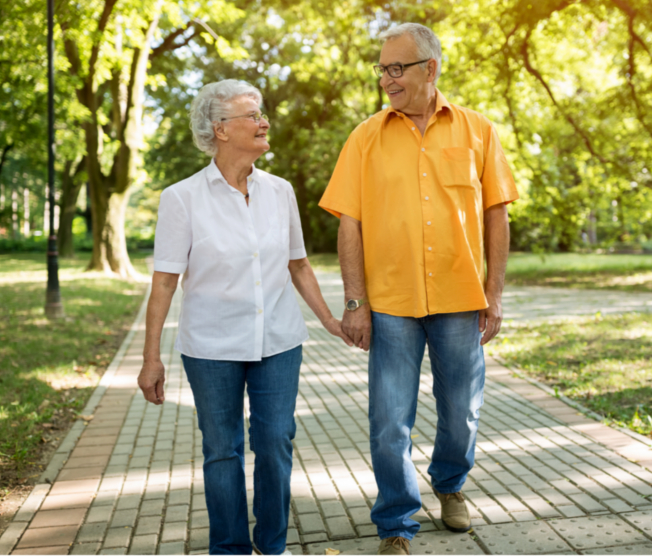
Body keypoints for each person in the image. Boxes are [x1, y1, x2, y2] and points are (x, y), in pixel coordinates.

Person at [319, 23, 519, 555]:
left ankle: (450, 483)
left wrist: (493, 294)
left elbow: (496, 215)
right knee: (388, 420)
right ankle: (396, 522)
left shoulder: (478, 131)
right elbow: (349, 224)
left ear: (430, 69)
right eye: (383, 69)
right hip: (390, 304)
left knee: (462, 412)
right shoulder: (365, 136)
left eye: (397, 68)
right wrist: (355, 301)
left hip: (459, 301)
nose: (386, 79)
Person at [138, 79, 352, 556]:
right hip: (211, 348)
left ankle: (272, 545)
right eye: (251, 115)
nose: (263, 122)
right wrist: (150, 358)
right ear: (220, 129)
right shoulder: (182, 198)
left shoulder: (280, 191)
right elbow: (165, 283)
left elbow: (298, 264)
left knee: (275, 442)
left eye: (262, 113)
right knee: (223, 451)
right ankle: (230, 549)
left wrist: (329, 321)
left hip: (278, 339)